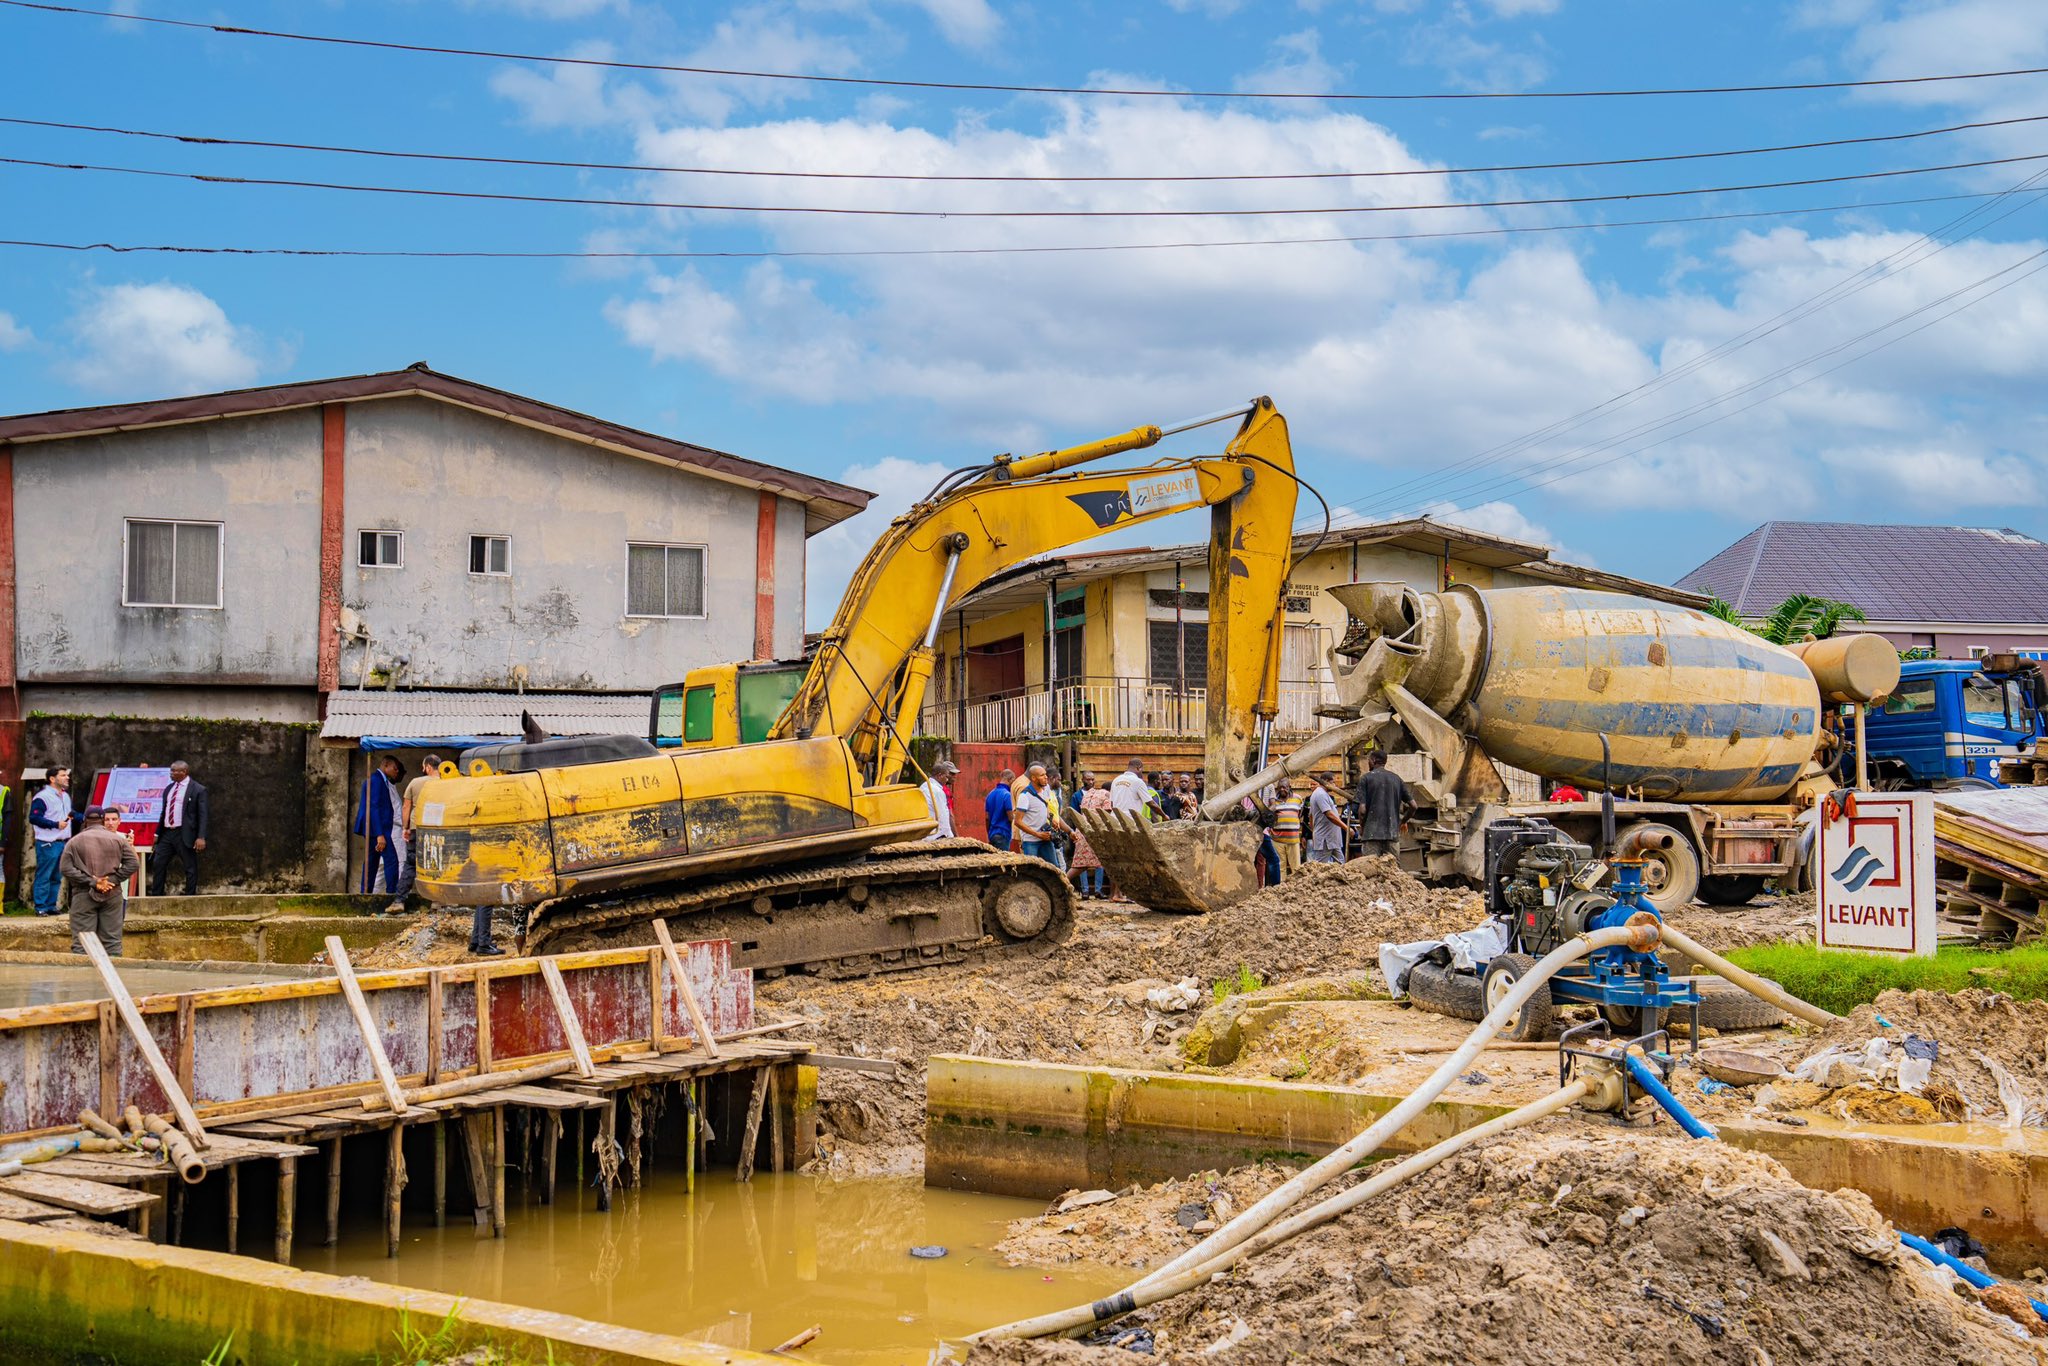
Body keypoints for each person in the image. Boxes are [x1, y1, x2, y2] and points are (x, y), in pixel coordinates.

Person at [62, 805, 139, 957]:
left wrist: (93, 882)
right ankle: (113, 979)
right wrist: (112, 880)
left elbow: (66, 869)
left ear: (84, 821)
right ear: (103, 820)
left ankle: (81, 979)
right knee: (112, 944)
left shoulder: (74, 842)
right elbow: (133, 864)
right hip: (112, 894)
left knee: (82, 945)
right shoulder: (118, 840)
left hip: (83, 895)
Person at [387, 754, 442, 914]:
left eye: (423, 767)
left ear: (428, 767)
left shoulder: (415, 782)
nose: (422, 769)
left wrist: (405, 827)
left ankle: (399, 901)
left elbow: (406, 807)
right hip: (439, 829)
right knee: (437, 864)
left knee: (411, 864)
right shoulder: (446, 782)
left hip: (417, 828)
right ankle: (437, 901)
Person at [150, 761, 209, 896]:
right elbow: (164, 812)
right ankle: (156, 896)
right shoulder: (169, 789)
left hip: (184, 833)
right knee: (158, 863)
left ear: (184, 772)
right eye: (171, 770)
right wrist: (157, 833)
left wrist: (201, 837)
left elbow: (203, 815)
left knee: (190, 867)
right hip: (167, 833)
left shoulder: (198, 789)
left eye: (175, 771)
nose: (171, 773)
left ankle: (189, 896)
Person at [353, 756, 404, 894]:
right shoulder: (376, 780)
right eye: (394, 768)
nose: (396, 771)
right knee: (392, 861)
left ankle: (365, 893)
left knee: (372, 862)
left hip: (375, 829)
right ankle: (392, 894)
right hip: (378, 830)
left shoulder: (381, 781)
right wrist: (380, 834)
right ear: (385, 765)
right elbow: (373, 807)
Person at [29, 766, 72, 917]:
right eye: (63, 775)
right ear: (52, 779)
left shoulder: (65, 796)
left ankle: (51, 905)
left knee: (56, 876)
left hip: (63, 842)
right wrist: (55, 824)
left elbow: (68, 815)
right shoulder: (42, 797)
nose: (67, 778)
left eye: (67, 775)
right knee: (44, 875)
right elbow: (34, 818)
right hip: (48, 842)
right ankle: (40, 906)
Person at [1354, 752, 1414, 860]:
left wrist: (1363, 827)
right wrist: (1403, 822)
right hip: (1392, 833)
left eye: (1369, 760)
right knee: (1393, 870)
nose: (1368, 762)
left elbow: (1362, 810)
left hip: (1371, 834)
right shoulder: (1397, 779)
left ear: (1374, 760)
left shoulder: (1366, 778)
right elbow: (1413, 806)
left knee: (1370, 868)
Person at [1013, 765, 1070, 867]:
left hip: (1045, 838)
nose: (1046, 777)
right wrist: (1037, 834)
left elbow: (1045, 806)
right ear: (1034, 778)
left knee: (1054, 868)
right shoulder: (1025, 796)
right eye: (1042, 775)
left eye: (1045, 775)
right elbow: (1018, 821)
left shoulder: (1046, 789)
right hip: (1030, 841)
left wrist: (1050, 819)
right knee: (1032, 869)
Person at [1069, 772, 1111, 898]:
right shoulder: (1106, 795)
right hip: (1093, 832)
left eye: (1093, 779)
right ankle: (1076, 887)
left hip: (1082, 830)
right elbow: (1106, 815)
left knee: (1081, 864)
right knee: (1087, 864)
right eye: (1088, 779)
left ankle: (1066, 883)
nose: (1091, 782)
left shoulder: (1088, 796)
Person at [1306, 773, 1350, 865]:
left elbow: (1311, 816)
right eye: (1333, 782)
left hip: (1331, 838)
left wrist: (1314, 831)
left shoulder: (1323, 794)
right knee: (1320, 868)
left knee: (1341, 865)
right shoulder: (1320, 794)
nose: (1334, 786)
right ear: (1326, 781)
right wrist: (1346, 828)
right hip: (1326, 839)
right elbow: (1329, 815)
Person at [1267, 779, 1305, 880]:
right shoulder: (1273, 800)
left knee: (1296, 867)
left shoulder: (1298, 799)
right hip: (1277, 839)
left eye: (1285, 787)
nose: (1282, 789)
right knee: (1280, 867)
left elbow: (1300, 814)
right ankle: (1281, 890)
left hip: (1293, 839)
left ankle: (1297, 889)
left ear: (1289, 787)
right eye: (1280, 788)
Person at [920, 759, 959, 839]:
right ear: (939, 775)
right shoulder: (938, 791)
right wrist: (950, 836)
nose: (947, 779)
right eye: (946, 776)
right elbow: (943, 815)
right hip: (936, 836)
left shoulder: (923, 786)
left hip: (925, 834)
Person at [985, 768, 1015, 850]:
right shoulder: (1007, 795)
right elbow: (1010, 817)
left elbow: (987, 818)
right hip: (1003, 834)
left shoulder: (990, 794)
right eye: (1013, 781)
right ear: (1010, 780)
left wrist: (989, 833)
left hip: (992, 834)